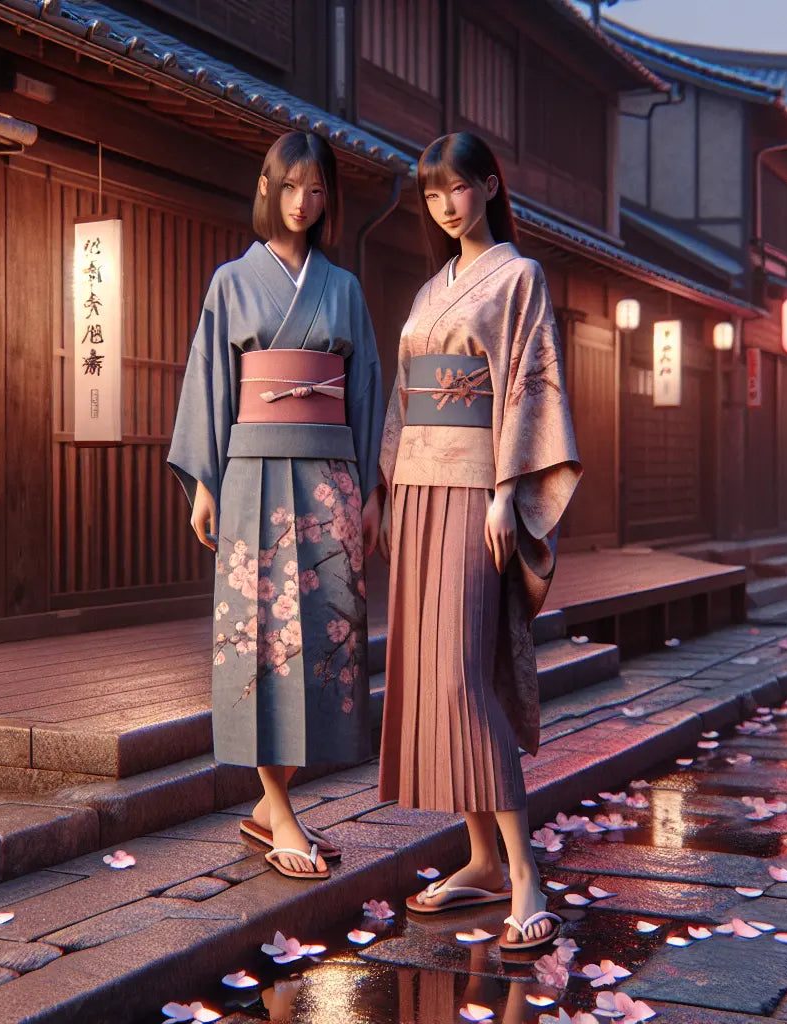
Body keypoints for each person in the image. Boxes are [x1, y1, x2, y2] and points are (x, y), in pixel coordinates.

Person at [377, 131, 581, 949]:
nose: (446, 206)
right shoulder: (431, 290)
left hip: (476, 489)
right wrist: (389, 490)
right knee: (433, 675)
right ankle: (482, 859)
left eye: (458, 188)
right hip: (418, 488)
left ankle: (525, 873)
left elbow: (529, 385)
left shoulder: (518, 277)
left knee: (466, 675)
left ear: (490, 186)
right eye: (432, 195)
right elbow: (404, 398)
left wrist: (505, 493)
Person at [168, 131, 384, 881]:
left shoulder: (343, 288)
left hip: (330, 480)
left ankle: (272, 807)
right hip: (253, 474)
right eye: (289, 186)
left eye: (316, 189)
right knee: (261, 636)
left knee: (322, 637)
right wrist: (204, 481)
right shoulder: (232, 283)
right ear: (267, 188)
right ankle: (280, 808)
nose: (302, 202)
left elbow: (366, 390)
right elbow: (210, 381)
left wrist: (372, 491)